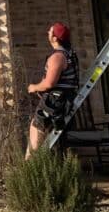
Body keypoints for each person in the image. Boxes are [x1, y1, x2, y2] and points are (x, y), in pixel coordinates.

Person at [25, 22, 79, 158]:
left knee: (35, 139)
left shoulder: (58, 57)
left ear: (55, 38)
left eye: (50, 32)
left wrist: (34, 87)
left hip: (54, 103)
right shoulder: (69, 54)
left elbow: (49, 83)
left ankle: (29, 169)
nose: (47, 33)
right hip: (61, 101)